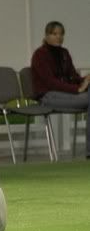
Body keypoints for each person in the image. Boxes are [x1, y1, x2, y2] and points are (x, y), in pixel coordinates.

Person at [31, 21, 90, 158]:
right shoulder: (39, 55)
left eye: (61, 34)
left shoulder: (64, 53)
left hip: (66, 93)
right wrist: (77, 89)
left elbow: (72, 77)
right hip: (47, 95)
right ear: (46, 35)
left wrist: (85, 80)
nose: (59, 37)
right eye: (54, 34)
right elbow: (50, 82)